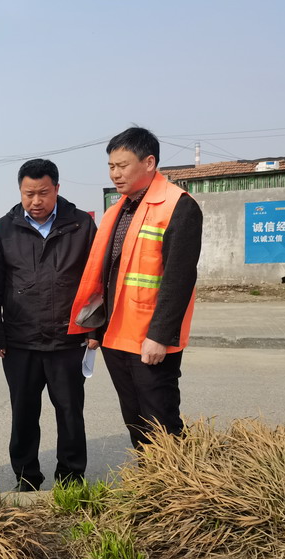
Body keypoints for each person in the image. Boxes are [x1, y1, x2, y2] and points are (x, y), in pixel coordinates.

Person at [69, 127, 203, 450]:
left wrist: (160, 336)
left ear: (149, 163)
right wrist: (95, 329)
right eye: (111, 166)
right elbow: (106, 276)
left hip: (150, 340)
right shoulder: (117, 211)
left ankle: (176, 478)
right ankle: (149, 476)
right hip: (115, 336)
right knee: (135, 419)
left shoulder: (178, 206)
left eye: (122, 165)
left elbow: (179, 279)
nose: (115, 174)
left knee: (161, 421)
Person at [0, 159, 97, 491]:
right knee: (23, 412)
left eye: (43, 193)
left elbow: (95, 281)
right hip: (20, 340)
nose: (35, 201)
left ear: (57, 189)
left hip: (68, 339)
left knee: (70, 411)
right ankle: (26, 478)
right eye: (28, 193)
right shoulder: (3, 229)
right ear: (20, 191)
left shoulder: (81, 225)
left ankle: (71, 478)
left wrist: (94, 329)